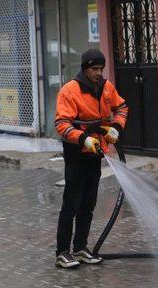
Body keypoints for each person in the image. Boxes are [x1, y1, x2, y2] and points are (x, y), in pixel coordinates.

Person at [54, 49, 128, 269]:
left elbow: (122, 107)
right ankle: (62, 252)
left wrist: (116, 127)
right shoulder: (70, 91)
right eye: (94, 69)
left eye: (101, 69)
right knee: (72, 203)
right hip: (76, 152)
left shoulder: (106, 88)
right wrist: (83, 138)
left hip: (96, 151)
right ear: (85, 68)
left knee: (88, 203)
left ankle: (80, 248)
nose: (98, 73)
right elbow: (61, 124)